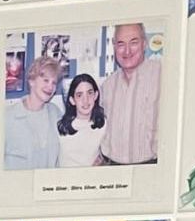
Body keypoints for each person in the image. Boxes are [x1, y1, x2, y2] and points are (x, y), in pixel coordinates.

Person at [99, 22, 162, 165]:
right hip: (112, 167)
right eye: (121, 44)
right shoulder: (107, 86)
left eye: (133, 43)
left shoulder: (162, 76)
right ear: (114, 47)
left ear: (144, 44)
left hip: (150, 167)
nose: (127, 51)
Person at [3, 56, 62, 170]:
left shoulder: (55, 113)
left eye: (54, 83)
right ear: (31, 81)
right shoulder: (7, 117)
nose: (50, 87)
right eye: (46, 80)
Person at [56, 73, 106, 168]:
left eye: (89, 93)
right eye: (79, 95)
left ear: (96, 95)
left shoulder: (103, 125)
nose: (85, 100)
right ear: (72, 100)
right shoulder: (60, 127)